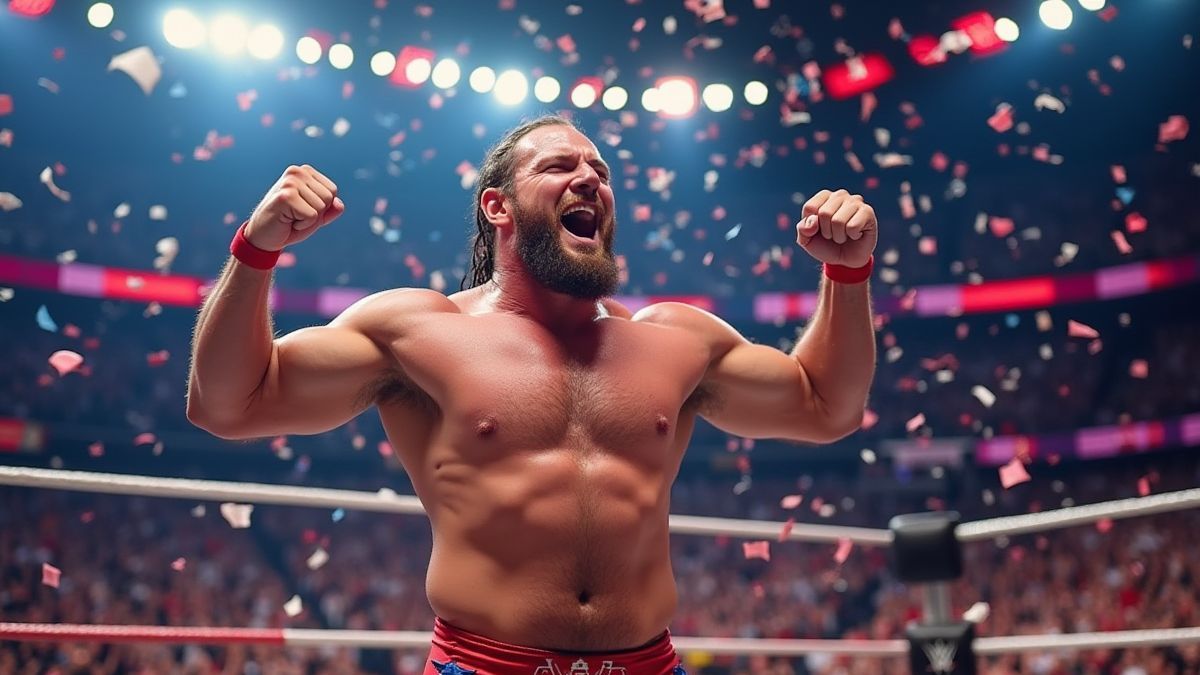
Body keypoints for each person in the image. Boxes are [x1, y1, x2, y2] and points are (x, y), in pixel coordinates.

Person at [186, 114, 878, 675]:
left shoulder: (677, 339)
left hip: (648, 664)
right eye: (560, 166)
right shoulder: (418, 330)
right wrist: (256, 249)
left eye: (601, 173)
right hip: (484, 665)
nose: (590, 180)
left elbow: (827, 406)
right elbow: (229, 402)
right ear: (498, 206)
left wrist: (848, 276)